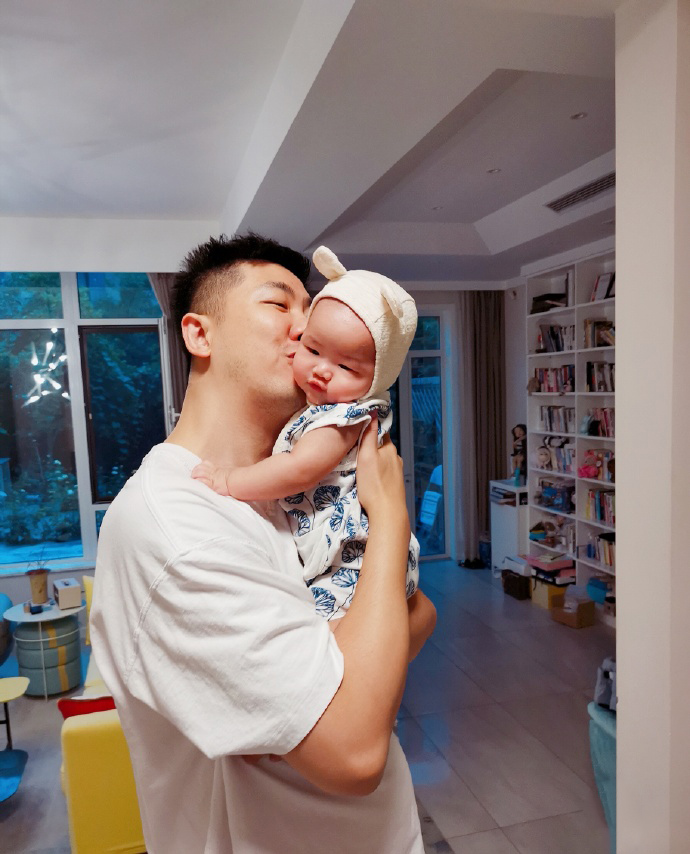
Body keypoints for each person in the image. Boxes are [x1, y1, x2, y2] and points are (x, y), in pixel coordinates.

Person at [90, 233, 436, 854]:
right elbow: (354, 750)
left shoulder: (296, 493)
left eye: (313, 307)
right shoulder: (174, 526)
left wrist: (349, 671)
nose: (307, 327)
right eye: (279, 304)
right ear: (200, 334)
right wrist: (389, 517)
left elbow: (423, 613)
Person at [192, 245, 420, 621]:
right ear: (200, 334)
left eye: (347, 367)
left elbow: (299, 468)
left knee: (342, 638)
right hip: (358, 556)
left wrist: (228, 480)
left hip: (354, 561)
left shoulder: (343, 418)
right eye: (312, 349)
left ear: (376, 380)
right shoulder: (319, 412)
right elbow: (422, 617)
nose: (322, 370)